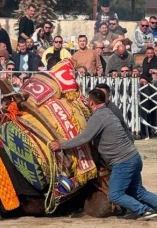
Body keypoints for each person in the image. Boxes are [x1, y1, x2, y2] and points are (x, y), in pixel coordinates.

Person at [50, 89, 157, 221]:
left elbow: (84, 138)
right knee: (138, 192)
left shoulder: (98, 117)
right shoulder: (108, 112)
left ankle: (144, 211)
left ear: (90, 102)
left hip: (122, 161)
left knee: (115, 195)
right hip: (134, 156)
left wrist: (62, 145)